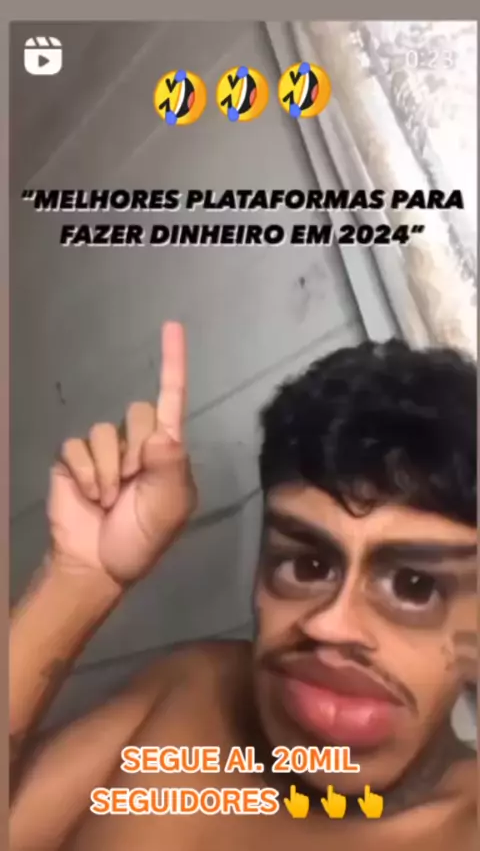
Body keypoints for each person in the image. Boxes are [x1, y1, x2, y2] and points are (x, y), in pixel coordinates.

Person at [10, 322, 477, 851]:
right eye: (308, 566)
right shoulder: (198, 688)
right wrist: (81, 578)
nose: (330, 623)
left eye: (415, 587)